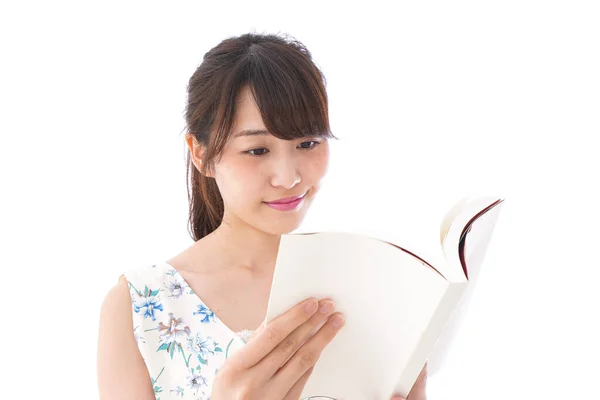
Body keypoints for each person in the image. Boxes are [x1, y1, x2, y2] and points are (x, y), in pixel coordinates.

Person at [97, 32, 427, 400]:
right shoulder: (142, 306)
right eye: (256, 150)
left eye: (308, 143)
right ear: (200, 153)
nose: (288, 177)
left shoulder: (367, 283)